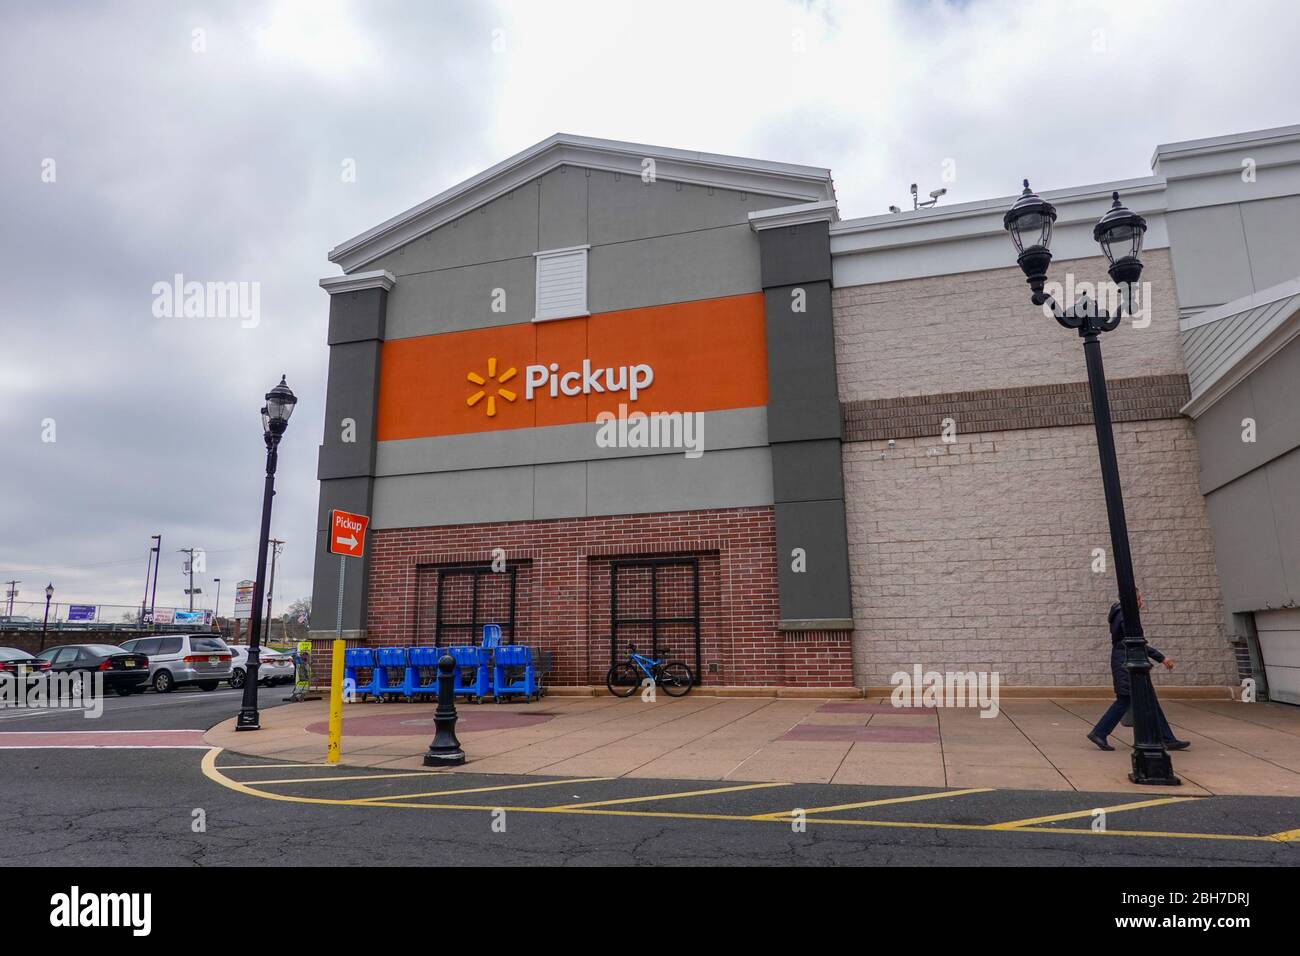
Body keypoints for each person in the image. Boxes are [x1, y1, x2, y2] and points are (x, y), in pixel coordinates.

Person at [1087, 589, 1190, 752]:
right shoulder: (1125, 617)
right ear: (1130, 600)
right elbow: (1136, 642)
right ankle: (1099, 732)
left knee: (1143, 700)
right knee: (1125, 700)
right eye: (1139, 599)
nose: (1141, 602)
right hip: (1127, 663)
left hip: (1125, 660)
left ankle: (1167, 738)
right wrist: (1161, 658)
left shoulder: (1120, 615)